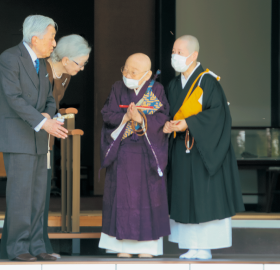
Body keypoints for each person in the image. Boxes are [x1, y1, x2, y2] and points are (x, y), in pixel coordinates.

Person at [0, 15, 68, 262]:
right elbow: (13, 98)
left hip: (38, 138)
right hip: (18, 138)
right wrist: (43, 122)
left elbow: (49, 97)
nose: (54, 43)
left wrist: (47, 114)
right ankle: (18, 248)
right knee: (21, 195)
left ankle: (37, 246)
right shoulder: (9, 58)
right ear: (35, 38)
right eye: (51, 38)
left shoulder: (44, 64)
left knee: (38, 195)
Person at [164, 35, 245, 260]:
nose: (175, 56)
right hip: (182, 150)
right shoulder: (172, 84)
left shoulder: (207, 81)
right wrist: (170, 124)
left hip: (203, 152)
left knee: (204, 197)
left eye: (180, 52)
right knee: (184, 198)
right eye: (173, 51)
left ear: (194, 55)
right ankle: (191, 246)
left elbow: (218, 114)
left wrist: (189, 122)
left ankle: (206, 246)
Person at [98, 53, 171, 258]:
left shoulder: (156, 89)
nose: (127, 74)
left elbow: (163, 116)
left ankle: (146, 248)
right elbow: (107, 114)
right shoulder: (117, 87)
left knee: (148, 198)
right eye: (125, 69)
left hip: (147, 154)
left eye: (133, 71)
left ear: (148, 74)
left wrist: (142, 119)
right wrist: (125, 117)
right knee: (121, 197)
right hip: (122, 153)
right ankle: (122, 247)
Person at [42, 34, 91, 255]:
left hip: (50, 134)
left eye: (85, 63)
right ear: (65, 59)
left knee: (43, 190)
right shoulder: (42, 70)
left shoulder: (65, 75)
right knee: (36, 193)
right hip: (36, 132)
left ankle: (41, 244)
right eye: (80, 63)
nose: (82, 68)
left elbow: (55, 104)